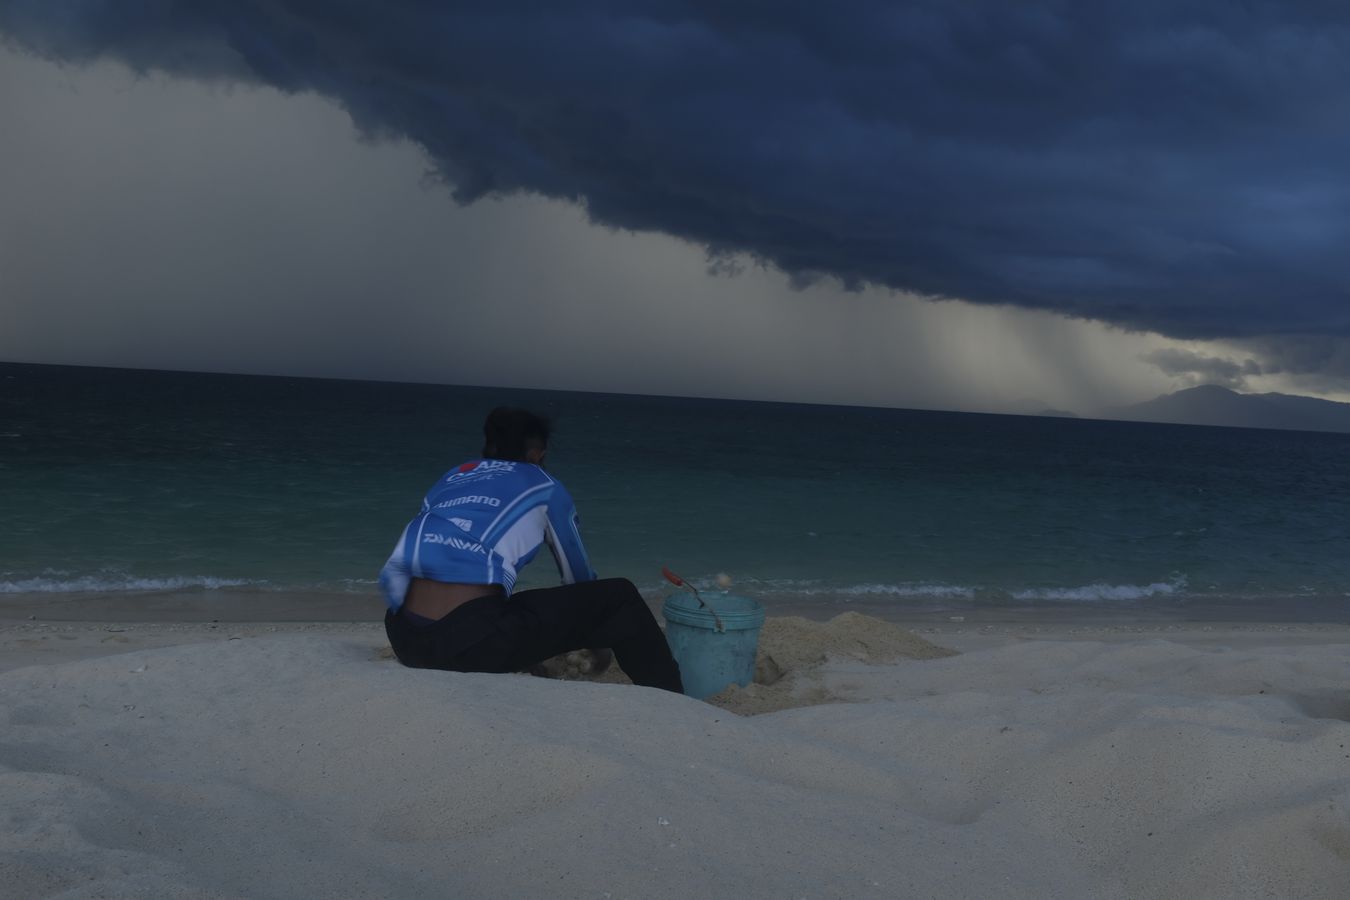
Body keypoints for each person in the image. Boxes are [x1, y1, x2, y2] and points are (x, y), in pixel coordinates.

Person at [379, 407, 684, 693]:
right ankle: (672, 698)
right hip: (471, 647)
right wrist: (599, 637)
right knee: (620, 598)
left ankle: (529, 664)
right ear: (537, 454)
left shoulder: (453, 476)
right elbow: (577, 578)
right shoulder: (544, 485)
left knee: (500, 601)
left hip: (404, 636)